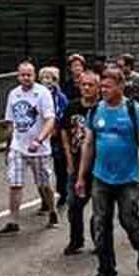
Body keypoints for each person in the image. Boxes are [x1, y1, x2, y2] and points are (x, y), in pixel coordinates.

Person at [75, 65, 139, 276]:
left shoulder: (134, 111)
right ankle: (106, 271)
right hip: (101, 177)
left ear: (121, 87)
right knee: (100, 223)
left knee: (128, 219)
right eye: (102, 87)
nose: (103, 91)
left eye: (108, 87)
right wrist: (82, 177)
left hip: (127, 178)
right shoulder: (95, 111)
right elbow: (88, 145)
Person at [0, 61, 57, 235]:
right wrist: (9, 145)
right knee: (15, 183)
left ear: (34, 75)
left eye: (29, 74)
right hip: (18, 145)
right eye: (22, 75)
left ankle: (52, 211)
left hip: (39, 147)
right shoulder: (13, 94)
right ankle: (13, 221)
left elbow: (50, 120)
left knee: (44, 184)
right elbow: (10, 121)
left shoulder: (42, 93)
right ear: (18, 76)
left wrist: (39, 140)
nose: (25, 78)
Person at [60, 71, 99, 255]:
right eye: (83, 85)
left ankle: (99, 241)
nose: (86, 88)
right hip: (76, 163)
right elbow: (64, 132)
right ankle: (76, 240)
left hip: (99, 165)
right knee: (74, 204)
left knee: (99, 207)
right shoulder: (72, 107)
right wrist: (69, 160)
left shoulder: (102, 108)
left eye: (90, 85)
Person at [38, 66, 70, 209]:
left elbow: (64, 114)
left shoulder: (60, 97)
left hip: (56, 134)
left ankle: (63, 193)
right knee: (41, 168)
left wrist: (57, 128)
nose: (46, 81)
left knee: (59, 166)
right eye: (44, 78)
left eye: (49, 78)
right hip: (41, 134)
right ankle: (45, 199)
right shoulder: (37, 95)